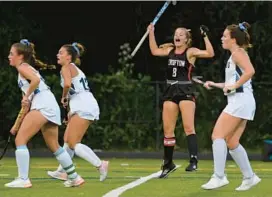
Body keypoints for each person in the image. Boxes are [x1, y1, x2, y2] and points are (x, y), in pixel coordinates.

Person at [5, 39, 84, 188]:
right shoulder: (26, 68)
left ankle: (23, 179)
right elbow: (26, 105)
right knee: (54, 145)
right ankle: (74, 177)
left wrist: (26, 95)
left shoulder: (22, 67)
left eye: (11, 54)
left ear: (20, 56)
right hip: (49, 104)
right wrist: (16, 126)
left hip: (43, 105)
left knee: (20, 141)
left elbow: (34, 82)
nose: (9, 56)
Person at [148, 24, 214, 178]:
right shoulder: (170, 50)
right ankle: (168, 163)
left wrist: (205, 36)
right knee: (168, 130)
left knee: (188, 127)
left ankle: (193, 160)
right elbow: (154, 51)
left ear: (186, 39)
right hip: (170, 91)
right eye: (175, 34)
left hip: (185, 91)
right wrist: (151, 33)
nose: (177, 36)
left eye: (181, 34)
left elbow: (210, 53)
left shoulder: (190, 52)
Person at [201, 22, 261, 191]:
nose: (222, 38)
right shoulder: (235, 54)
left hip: (240, 102)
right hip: (243, 101)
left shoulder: (238, 53)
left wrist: (233, 86)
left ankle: (219, 177)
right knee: (232, 141)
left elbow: (250, 71)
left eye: (225, 36)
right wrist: (215, 84)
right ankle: (250, 177)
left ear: (233, 40)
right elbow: (232, 83)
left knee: (217, 135)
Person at [47, 42, 109, 182]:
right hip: (82, 103)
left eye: (61, 53)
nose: (58, 55)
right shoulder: (73, 67)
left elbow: (68, 85)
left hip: (83, 104)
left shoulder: (66, 67)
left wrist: (63, 97)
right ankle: (62, 171)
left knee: (74, 142)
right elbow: (73, 91)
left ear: (69, 57)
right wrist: (69, 113)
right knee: (67, 141)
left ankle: (100, 164)